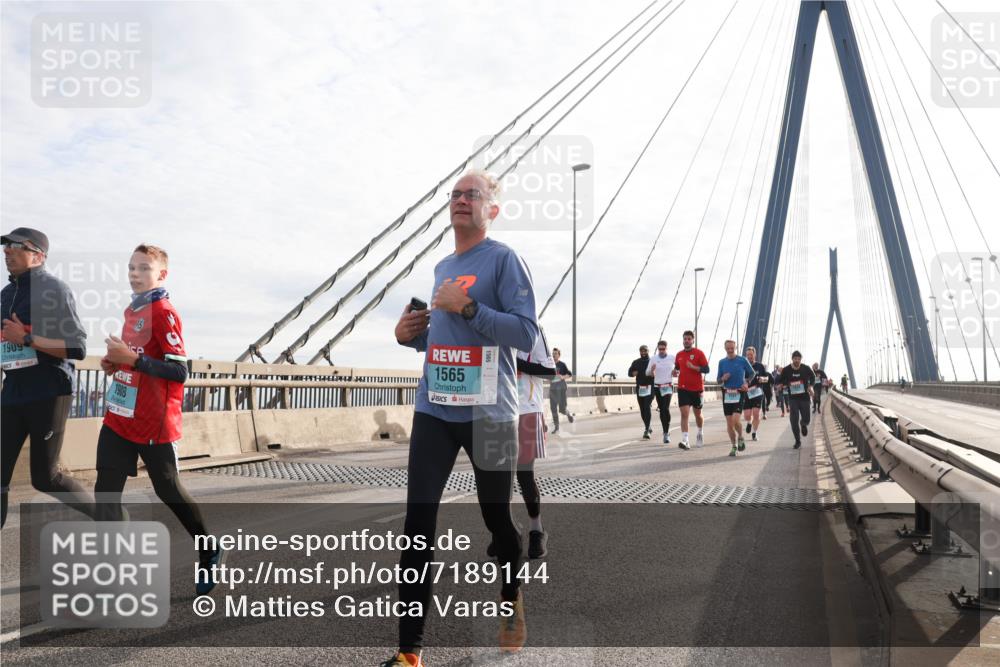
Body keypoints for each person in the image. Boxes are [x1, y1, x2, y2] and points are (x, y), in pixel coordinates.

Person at [389, 170, 537, 666]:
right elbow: (445, 339)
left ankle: (511, 594)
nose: (460, 200)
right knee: (417, 523)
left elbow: (523, 334)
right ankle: (410, 653)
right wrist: (411, 335)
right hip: (435, 407)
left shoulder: (505, 260)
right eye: (454, 194)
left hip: (492, 413)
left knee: (496, 519)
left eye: (471, 195)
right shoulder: (441, 267)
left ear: (491, 210)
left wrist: (469, 305)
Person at [94, 244, 224, 595]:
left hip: (154, 422)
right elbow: (135, 358)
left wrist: (133, 361)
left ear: (161, 275)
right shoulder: (130, 311)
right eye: (131, 267)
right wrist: (116, 363)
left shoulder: (165, 312)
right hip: (120, 416)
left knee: (168, 490)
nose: (135, 274)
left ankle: (208, 548)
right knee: (105, 491)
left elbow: (180, 371)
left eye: (144, 268)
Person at [1, 228, 94, 527]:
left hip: (48, 392)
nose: (7, 251)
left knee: (45, 478)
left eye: (16, 246)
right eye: (5, 246)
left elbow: (77, 347)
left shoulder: (55, 290)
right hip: (13, 391)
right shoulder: (5, 295)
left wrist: (27, 338)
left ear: (39, 256)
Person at [513, 329, 555, 559]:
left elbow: (550, 371)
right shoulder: (490, 323)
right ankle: (505, 530)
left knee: (523, 475)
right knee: (496, 476)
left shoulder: (533, 329)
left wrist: (512, 359)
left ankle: (536, 530)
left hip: (527, 410)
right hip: (496, 410)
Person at [717, 340, 755, 456]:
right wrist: (723, 378)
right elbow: (718, 380)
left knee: (735, 420)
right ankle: (734, 446)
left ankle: (741, 437)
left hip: (739, 392)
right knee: (729, 424)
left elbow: (752, 373)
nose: (730, 350)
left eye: (732, 348)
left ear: (735, 347)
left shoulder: (742, 360)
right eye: (728, 348)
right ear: (725, 348)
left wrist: (747, 383)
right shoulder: (722, 362)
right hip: (727, 393)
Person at [673, 330, 710, 450]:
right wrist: (675, 372)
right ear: (683, 340)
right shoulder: (679, 355)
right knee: (684, 414)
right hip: (683, 388)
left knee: (698, 414)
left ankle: (700, 432)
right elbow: (677, 368)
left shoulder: (699, 353)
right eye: (685, 339)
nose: (687, 341)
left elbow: (706, 369)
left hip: (697, 389)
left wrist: (693, 367)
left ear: (693, 340)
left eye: (689, 339)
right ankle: (685, 440)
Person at [776, 351, 816, 449]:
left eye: (798, 359)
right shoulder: (786, 369)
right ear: (792, 359)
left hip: (805, 397)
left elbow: (813, 377)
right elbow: (780, 380)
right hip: (793, 398)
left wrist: (810, 387)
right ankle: (797, 441)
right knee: (793, 420)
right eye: (795, 359)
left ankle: (803, 424)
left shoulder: (806, 368)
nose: (797, 360)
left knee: (807, 418)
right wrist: (780, 385)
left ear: (801, 359)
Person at [646, 340, 676, 444]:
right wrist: (652, 371)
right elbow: (647, 372)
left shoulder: (672, 358)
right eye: (660, 349)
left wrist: (676, 372)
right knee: (662, 409)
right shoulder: (654, 358)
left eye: (663, 349)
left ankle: (666, 433)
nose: (661, 351)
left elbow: (678, 370)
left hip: (668, 385)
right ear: (658, 349)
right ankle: (665, 431)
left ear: (667, 348)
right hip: (657, 386)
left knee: (665, 408)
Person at [628, 345, 654, 440]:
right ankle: (648, 426)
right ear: (640, 352)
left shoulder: (652, 361)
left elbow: (658, 372)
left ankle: (647, 429)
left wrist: (654, 373)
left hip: (650, 387)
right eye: (641, 351)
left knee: (647, 406)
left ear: (648, 351)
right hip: (640, 388)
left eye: (645, 351)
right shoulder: (636, 362)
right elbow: (629, 372)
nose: (643, 353)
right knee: (642, 409)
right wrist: (633, 373)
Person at [742, 346, 768, 441]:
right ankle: (749, 422)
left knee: (756, 414)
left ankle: (754, 432)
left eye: (751, 355)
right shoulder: (743, 366)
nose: (749, 356)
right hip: (746, 393)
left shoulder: (760, 366)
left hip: (757, 392)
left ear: (755, 355)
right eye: (748, 355)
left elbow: (767, 378)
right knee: (747, 415)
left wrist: (763, 379)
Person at [548, 347, 574, 433]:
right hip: (553, 389)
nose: (554, 355)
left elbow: (570, 374)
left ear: (559, 355)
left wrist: (562, 377)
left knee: (562, 409)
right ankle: (556, 427)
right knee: (553, 408)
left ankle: (568, 414)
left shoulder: (562, 365)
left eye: (555, 353)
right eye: (553, 353)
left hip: (561, 389)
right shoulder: (549, 365)